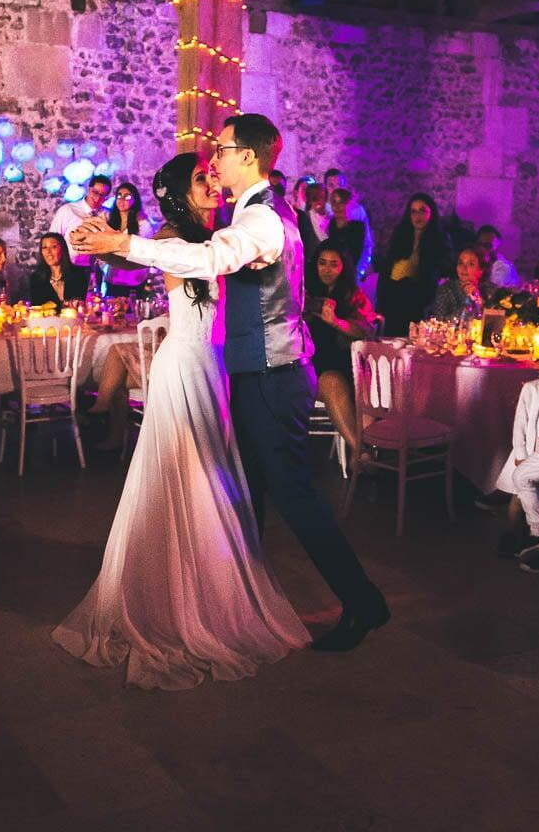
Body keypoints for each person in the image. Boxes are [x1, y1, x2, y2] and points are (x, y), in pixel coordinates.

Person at [72, 113, 389, 654]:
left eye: (219, 149)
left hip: (274, 375)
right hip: (255, 372)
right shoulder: (255, 212)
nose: (213, 159)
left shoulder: (262, 219)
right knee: (249, 494)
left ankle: (362, 603)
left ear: (248, 155)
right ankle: (236, 600)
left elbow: (212, 258)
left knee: (291, 494)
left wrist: (127, 244)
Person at [53, 153, 311, 689]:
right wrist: (116, 243)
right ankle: (181, 601)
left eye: (213, 174)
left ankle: (211, 589)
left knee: (210, 473)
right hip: (187, 363)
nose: (212, 181)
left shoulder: (219, 232)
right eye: (201, 178)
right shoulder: (175, 234)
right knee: (191, 475)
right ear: (177, 190)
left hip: (216, 365)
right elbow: (162, 261)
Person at [305, 242, 375, 451]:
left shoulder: (353, 295)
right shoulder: (304, 292)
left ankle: (367, 452)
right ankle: (360, 452)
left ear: (343, 267)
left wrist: (336, 322)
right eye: (322, 263)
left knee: (367, 381)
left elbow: (366, 329)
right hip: (312, 367)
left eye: (334, 264)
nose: (327, 269)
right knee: (331, 381)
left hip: (347, 363)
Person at [494, 339, 539, 559]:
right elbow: (520, 423)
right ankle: (513, 535)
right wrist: (520, 454)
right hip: (527, 453)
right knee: (518, 495)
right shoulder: (531, 389)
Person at [377, 193, 450, 336]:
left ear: (431, 213)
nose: (418, 216)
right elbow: (387, 267)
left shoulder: (438, 239)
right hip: (393, 297)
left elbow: (440, 270)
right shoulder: (400, 235)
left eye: (422, 210)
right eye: (414, 211)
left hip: (417, 300)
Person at [101, 182, 154, 297]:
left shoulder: (143, 224)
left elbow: (149, 252)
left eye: (127, 196)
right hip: (113, 279)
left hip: (134, 280)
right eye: (119, 196)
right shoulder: (110, 222)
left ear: (135, 199)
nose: (122, 199)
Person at [50, 174, 112, 268]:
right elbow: (53, 240)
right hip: (70, 267)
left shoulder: (108, 215)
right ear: (89, 189)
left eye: (102, 195)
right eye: (95, 192)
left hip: (95, 269)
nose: (98, 198)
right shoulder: (68, 210)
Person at [323, 168, 373, 279]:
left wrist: (359, 271)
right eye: (331, 185)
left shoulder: (357, 210)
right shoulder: (322, 211)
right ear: (326, 187)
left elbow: (367, 243)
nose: (336, 188)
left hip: (354, 272)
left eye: (340, 184)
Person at [427, 246, 493, 321]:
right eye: (460, 263)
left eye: (471, 264)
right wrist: (469, 301)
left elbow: (494, 320)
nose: (463, 268)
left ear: (482, 270)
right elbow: (439, 321)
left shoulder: (490, 290)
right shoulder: (446, 289)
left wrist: (479, 300)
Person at [29, 233, 89, 308]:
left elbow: (86, 304)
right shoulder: (36, 278)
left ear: (62, 249)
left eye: (54, 247)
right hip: (47, 319)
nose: (48, 252)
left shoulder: (79, 274)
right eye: (44, 247)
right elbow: (35, 308)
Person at [327, 188, 365, 271]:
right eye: (334, 202)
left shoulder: (357, 226)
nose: (337, 206)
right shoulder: (331, 224)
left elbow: (358, 253)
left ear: (348, 204)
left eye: (341, 202)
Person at [475, 225, 521, 289]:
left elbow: (490, 293)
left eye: (488, 245)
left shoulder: (503, 268)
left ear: (497, 245)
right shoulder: (477, 262)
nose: (482, 248)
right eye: (480, 244)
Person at [298, 182, 330, 264]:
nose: (319, 201)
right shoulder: (304, 219)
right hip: (313, 264)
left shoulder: (333, 215)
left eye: (322, 197)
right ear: (308, 200)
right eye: (315, 198)